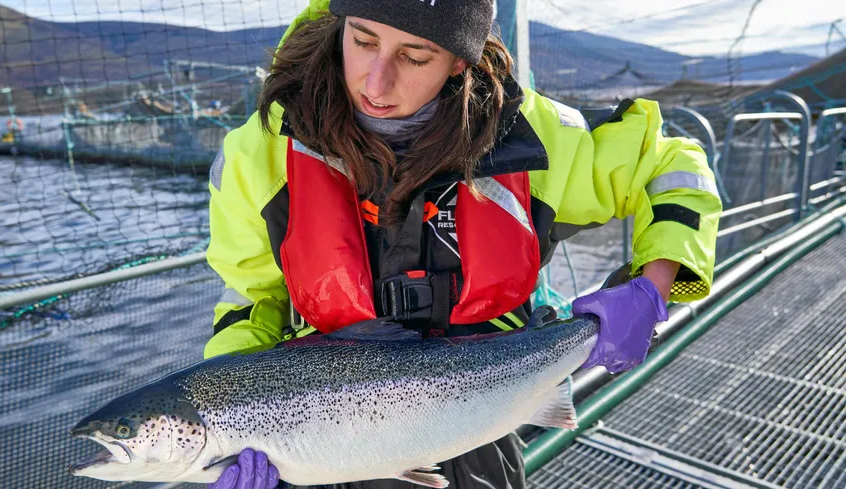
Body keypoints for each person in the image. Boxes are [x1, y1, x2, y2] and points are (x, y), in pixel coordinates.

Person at [203, 0, 722, 488]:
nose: (377, 80)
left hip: (484, 432)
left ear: (457, 61)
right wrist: (225, 418)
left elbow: (671, 165)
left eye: (414, 56)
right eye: (362, 40)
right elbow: (251, 301)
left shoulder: (532, 137)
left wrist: (653, 287)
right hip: (316, 443)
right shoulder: (258, 156)